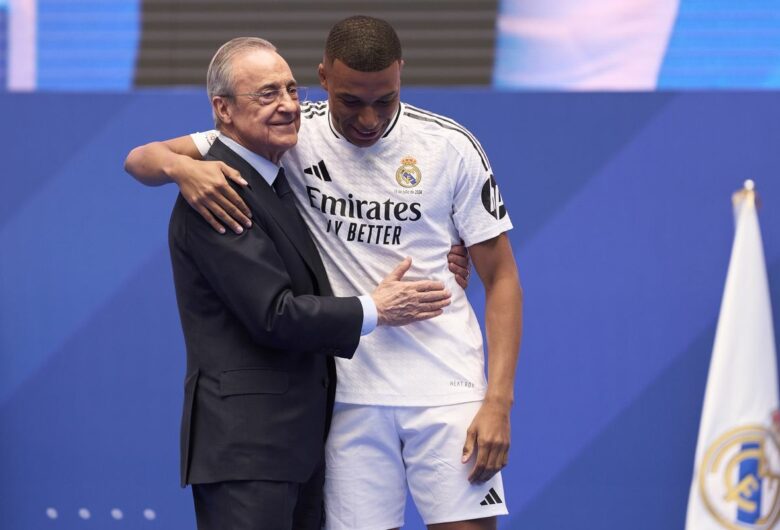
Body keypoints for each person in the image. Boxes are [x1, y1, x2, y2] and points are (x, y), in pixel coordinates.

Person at [125, 16, 523, 530]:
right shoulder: (292, 131)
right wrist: (182, 169)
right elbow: (142, 158)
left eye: (385, 100)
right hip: (348, 397)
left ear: (401, 74)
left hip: (447, 387)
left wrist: (498, 401)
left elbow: (502, 278)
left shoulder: (449, 146)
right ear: (324, 78)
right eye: (351, 101)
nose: (368, 119)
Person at [163, 36, 452, 530]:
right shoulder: (216, 190)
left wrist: (447, 254)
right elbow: (274, 315)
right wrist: (376, 308)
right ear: (223, 109)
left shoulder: (276, 182)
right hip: (248, 452)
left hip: (293, 450)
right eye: (267, 94)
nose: (288, 105)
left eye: (291, 90)